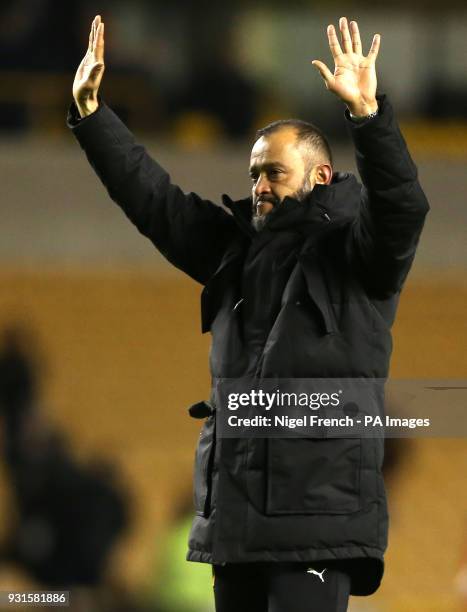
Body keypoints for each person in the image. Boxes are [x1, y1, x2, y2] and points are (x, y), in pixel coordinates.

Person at [68, 15, 429, 612]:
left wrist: (368, 118)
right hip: (237, 523)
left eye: (275, 172)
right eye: (254, 172)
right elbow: (154, 200)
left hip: (316, 522)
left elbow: (402, 209)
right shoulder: (232, 249)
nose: (260, 184)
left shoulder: (358, 254)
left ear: (320, 175)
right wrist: (91, 114)